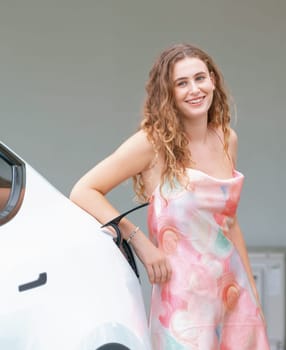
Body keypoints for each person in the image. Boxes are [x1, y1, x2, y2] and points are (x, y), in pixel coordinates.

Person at [70, 43, 270, 349]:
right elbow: (84, 191)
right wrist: (141, 244)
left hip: (233, 293)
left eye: (200, 78)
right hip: (182, 304)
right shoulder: (151, 144)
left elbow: (229, 223)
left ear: (213, 81)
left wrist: (253, 296)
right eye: (182, 83)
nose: (194, 89)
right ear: (169, 93)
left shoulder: (227, 139)